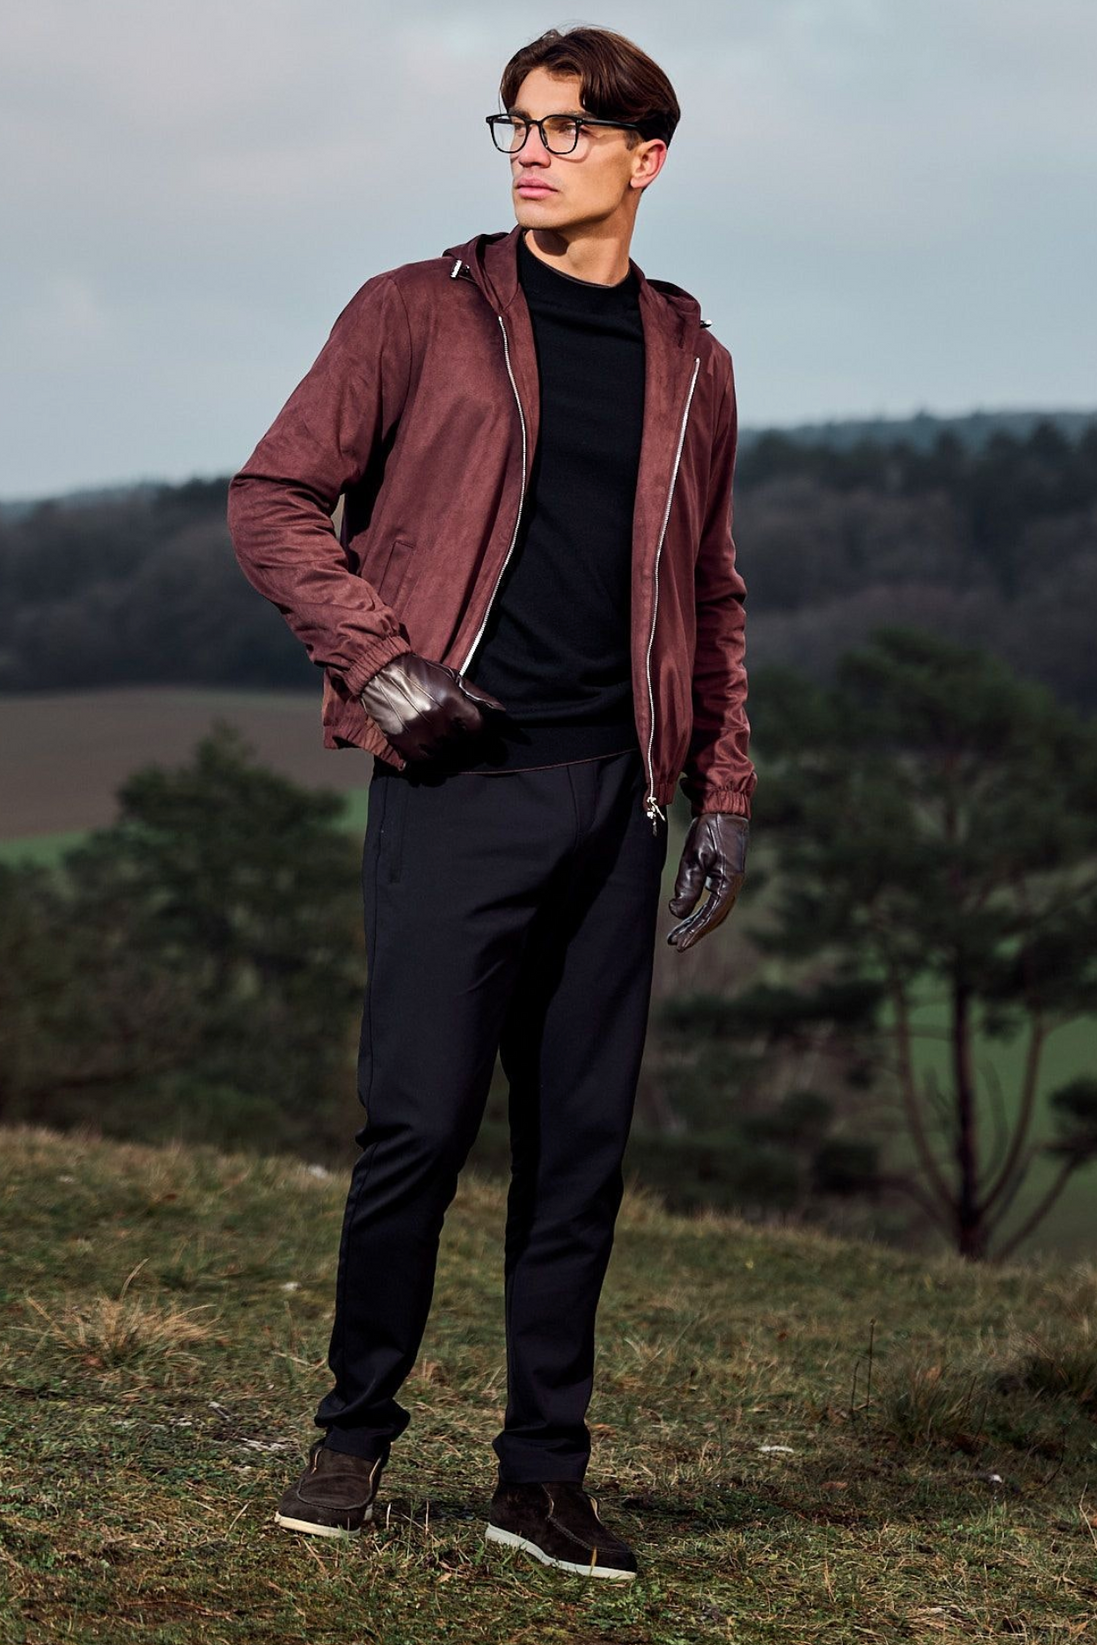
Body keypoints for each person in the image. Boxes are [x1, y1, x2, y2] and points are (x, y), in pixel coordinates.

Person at [227, 24, 756, 1583]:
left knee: (579, 1149)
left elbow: (711, 594)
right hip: (459, 787)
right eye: (514, 125)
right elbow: (270, 501)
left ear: (644, 159)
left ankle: (543, 1479)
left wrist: (718, 787)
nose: (530, 150)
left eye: (567, 130)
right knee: (417, 1128)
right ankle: (355, 1435)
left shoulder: (692, 360)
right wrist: (387, 674)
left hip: (620, 803)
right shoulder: (414, 313)